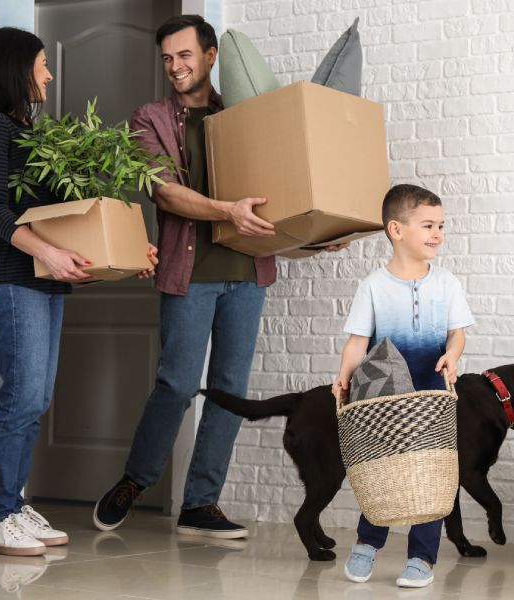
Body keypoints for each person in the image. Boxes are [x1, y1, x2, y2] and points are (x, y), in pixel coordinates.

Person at [92, 15, 345, 538]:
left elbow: (279, 198)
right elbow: (164, 191)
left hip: (248, 275)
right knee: (178, 384)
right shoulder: (151, 118)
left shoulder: (249, 116)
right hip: (190, 274)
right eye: (167, 58)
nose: (175, 67)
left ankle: (200, 504)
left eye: (184, 55)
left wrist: (319, 236)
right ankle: (136, 480)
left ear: (210, 56)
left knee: (231, 389)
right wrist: (227, 209)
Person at [0, 27, 157, 556]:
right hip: (10, 278)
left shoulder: (29, 133)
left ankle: (11, 503)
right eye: (43, 63)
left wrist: (126, 255)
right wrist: (45, 253)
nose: (49, 74)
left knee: (37, 398)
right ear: (16, 68)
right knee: (21, 398)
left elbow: (62, 222)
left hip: (41, 284)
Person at [334, 184, 474, 589]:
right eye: (428, 225)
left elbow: (458, 334)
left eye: (441, 226)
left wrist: (454, 354)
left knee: (432, 474)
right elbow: (359, 340)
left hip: (432, 393)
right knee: (382, 469)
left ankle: (421, 558)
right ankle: (367, 542)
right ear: (396, 229)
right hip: (384, 398)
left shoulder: (446, 283)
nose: (437, 234)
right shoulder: (373, 286)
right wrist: (343, 377)